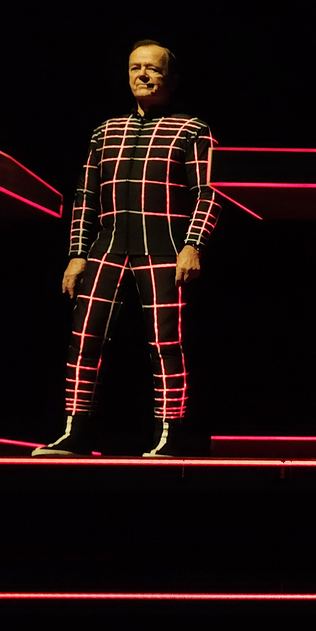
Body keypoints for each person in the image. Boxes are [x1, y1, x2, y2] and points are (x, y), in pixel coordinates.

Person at [33, 40, 219, 459]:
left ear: (171, 77)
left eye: (153, 68)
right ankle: (75, 433)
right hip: (108, 247)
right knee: (85, 338)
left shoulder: (192, 129)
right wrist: (77, 252)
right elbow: (85, 196)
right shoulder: (106, 131)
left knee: (166, 343)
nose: (143, 75)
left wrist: (193, 244)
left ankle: (171, 434)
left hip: (164, 247)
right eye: (136, 67)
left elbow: (208, 193)